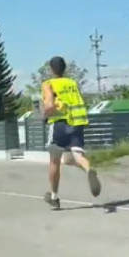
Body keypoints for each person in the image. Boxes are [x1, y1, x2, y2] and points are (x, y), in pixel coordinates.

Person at [41, 55, 102, 210]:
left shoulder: (49, 84)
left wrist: (44, 116)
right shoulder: (72, 83)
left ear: (51, 69)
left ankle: (54, 197)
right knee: (78, 156)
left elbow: (49, 106)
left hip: (59, 125)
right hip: (77, 124)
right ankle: (89, 170)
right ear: (64, 68)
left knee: (54, 161)